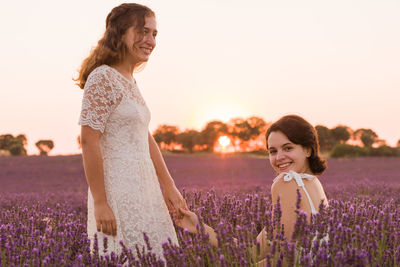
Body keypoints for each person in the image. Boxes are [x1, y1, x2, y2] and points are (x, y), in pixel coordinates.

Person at [75, 3, 186, 257]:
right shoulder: (102, 77)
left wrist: (168, 186)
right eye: (143, 31)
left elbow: (145, 137)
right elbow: (89, 141)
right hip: (117, 191)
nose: (150, 40)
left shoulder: (130, 81)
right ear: (120, 32)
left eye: (154, 34)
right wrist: (101, 202)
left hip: (144, 189)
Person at [175, 115, 329, 262]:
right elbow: (252, 253)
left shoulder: (286, 182)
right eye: (273, 151)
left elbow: (283, 260)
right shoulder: (314, 183)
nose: (279, 157)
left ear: (308, 149)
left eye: (288, 148)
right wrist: (198, 226)